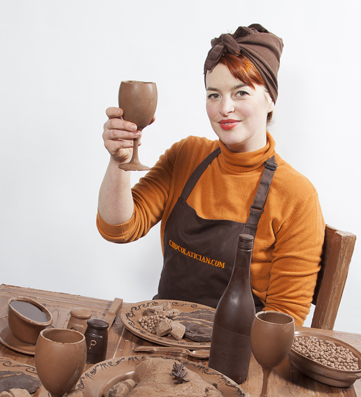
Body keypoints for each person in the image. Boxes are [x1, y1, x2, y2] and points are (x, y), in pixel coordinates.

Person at [97, 24, 324, 326]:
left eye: (240, 92)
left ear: (270, 99)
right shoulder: (187, 156)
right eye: (214, 95)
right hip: (160, 333)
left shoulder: (297, 196)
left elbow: (283, 320)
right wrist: (119, 161)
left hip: (235, 354)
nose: (224, 108)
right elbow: (119, 228)